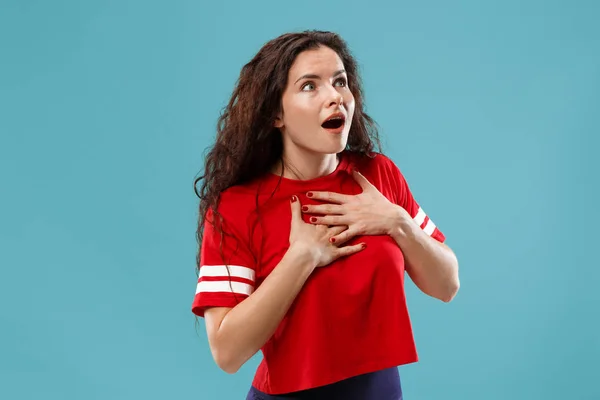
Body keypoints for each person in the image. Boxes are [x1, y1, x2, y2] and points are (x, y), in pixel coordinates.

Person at [191, 30, 460, 399]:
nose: (335, 97)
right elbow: (227, 352)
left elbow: (446, 286)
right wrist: (302, 256)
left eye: (340, 82)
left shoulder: (378, 175)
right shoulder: (236, 208)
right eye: (309, 86)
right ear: (275, 114)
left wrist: (398, 222)